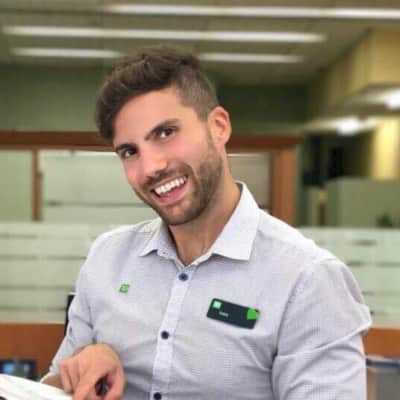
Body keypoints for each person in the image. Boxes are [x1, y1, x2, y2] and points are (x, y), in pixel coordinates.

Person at [43, 46, 371, 400]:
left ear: (218, 127)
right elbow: (48, 390)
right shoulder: (107, 259)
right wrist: (88, 362)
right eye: (129, 151)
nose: (151, 167)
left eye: (165, 133)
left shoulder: (308, 280)